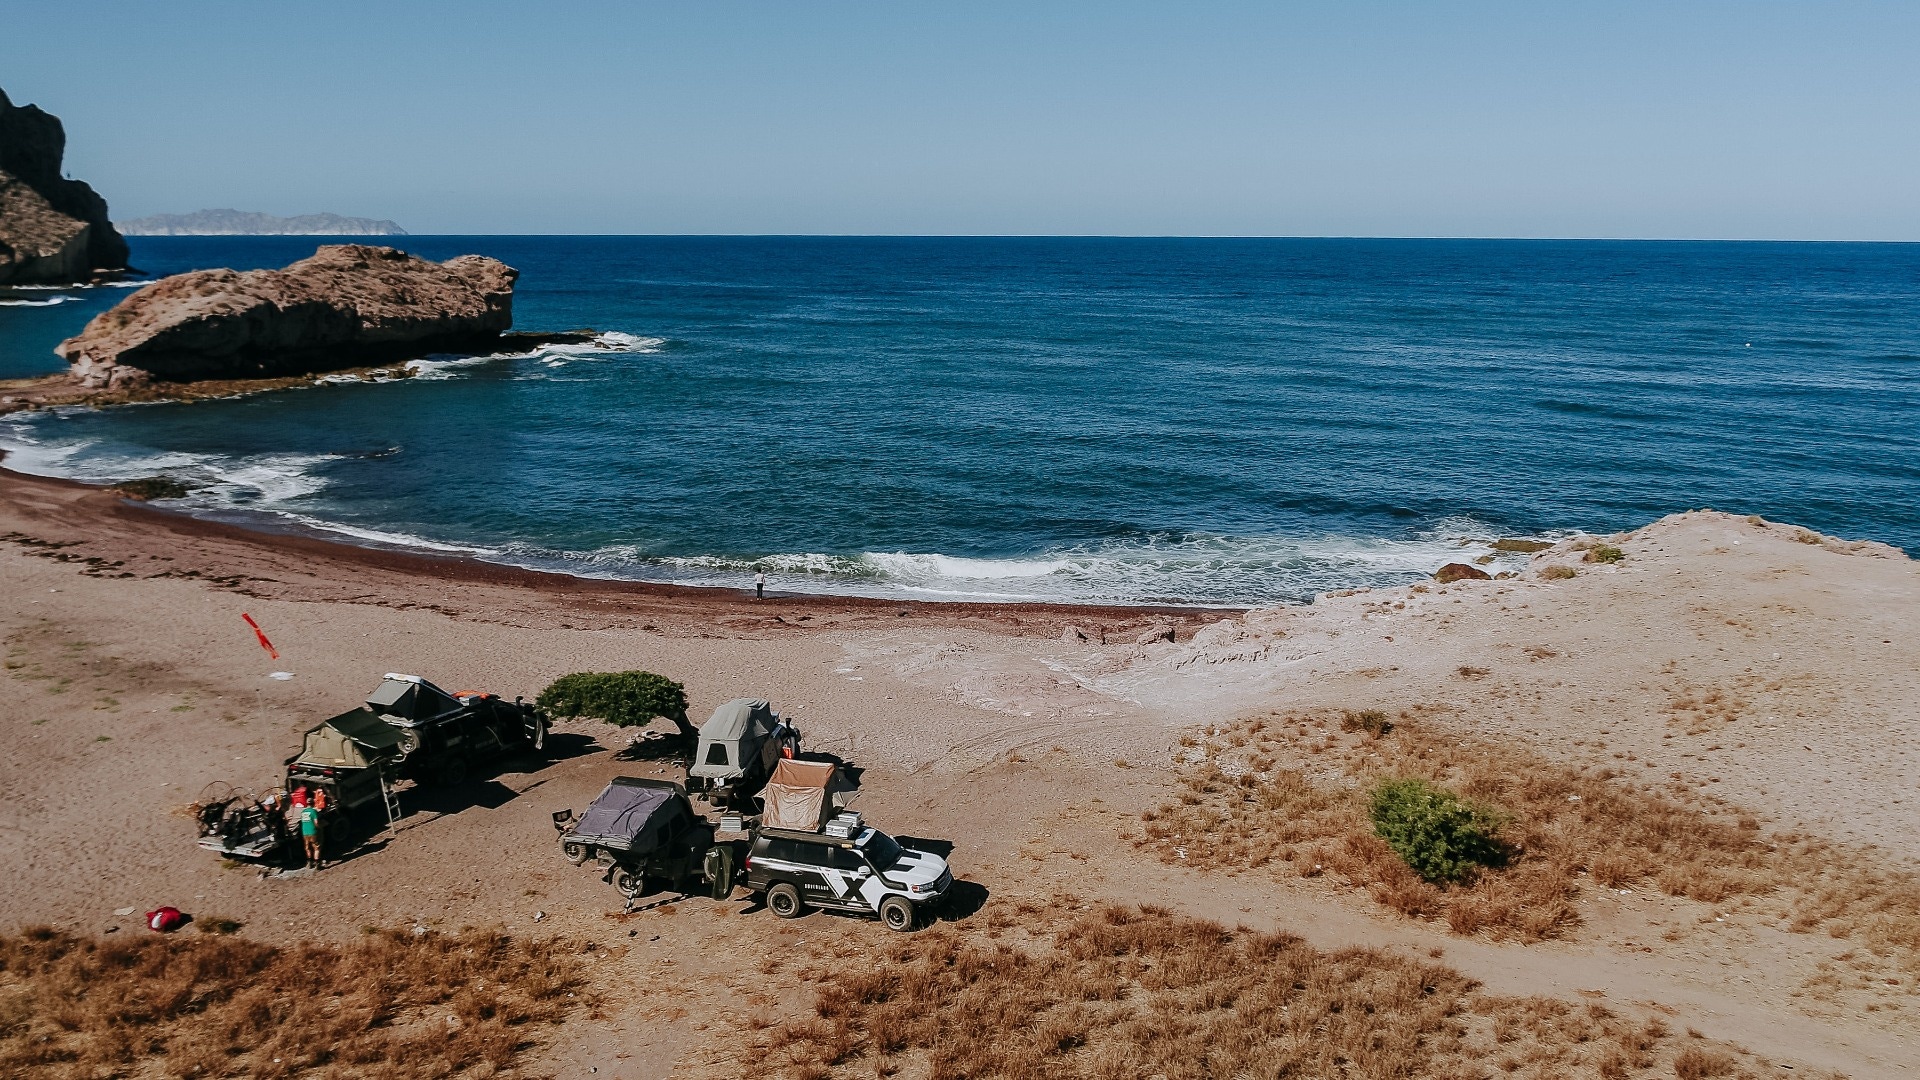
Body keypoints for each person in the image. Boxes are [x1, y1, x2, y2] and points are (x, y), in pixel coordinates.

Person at [299, 797, 323, 869]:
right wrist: (320, 827)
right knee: (316, 847)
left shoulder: (303, 812)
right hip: (313, 832)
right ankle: (317, 864)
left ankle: (309, 863)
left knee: (307, 848)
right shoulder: (313, 811)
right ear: (313, 803)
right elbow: (316, 822)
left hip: (305, 832)